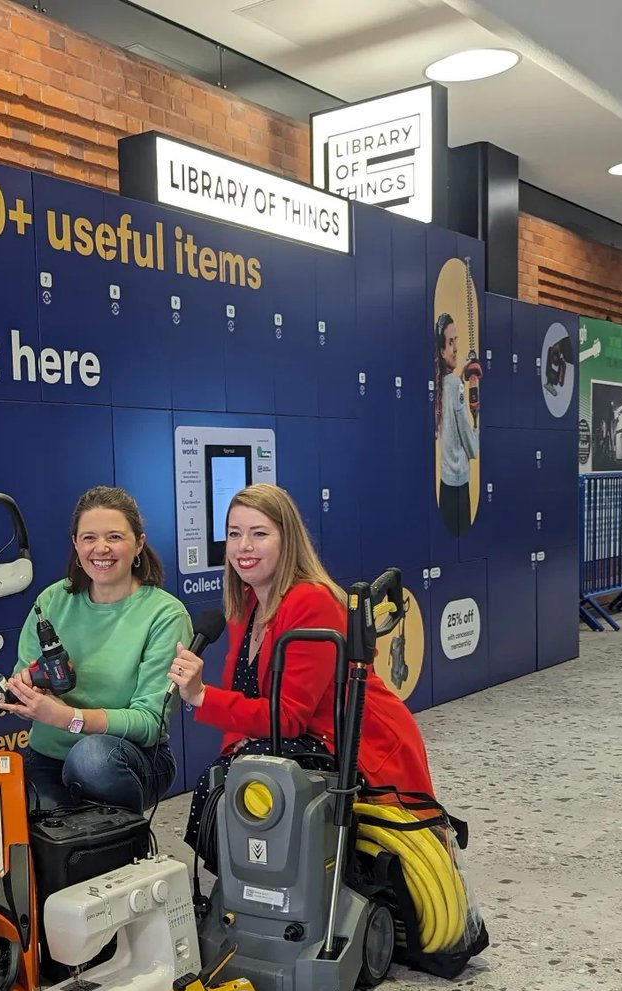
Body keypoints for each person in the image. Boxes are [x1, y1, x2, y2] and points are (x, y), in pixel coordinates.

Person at [168, 484, 436, 861]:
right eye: (234, 534)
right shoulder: (246, 604)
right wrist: (236, 746)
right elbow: (246, 698)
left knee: (231, 785)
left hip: (350, 744)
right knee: (218, 783)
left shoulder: (310, 601)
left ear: (287, 540)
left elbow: (289, 717)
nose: (243, 546)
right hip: (299, 739)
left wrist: (200, 696)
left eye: (259, 534)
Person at [0, 485, 192, 815]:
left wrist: (69, 718)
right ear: (76, 545)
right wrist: (28, 689)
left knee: (90, 760)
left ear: (139, 545)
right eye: (89, 538)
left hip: (127, 757)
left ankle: (128, 846)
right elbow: (24, 670)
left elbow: (149, 722)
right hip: (47, 755)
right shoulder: (50, 602)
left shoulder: (165, 615)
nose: (101, 548)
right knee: (36, 836)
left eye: (115, 537)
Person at [435, 313, 479, 538]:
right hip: (460, 485)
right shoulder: (455, 387)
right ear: (442, 351)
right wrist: (477, 423)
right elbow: (472, 447)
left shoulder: (440, 385)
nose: (455, 348)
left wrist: (461, 375)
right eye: (450, 343)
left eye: (456, 340)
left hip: (445, 485)